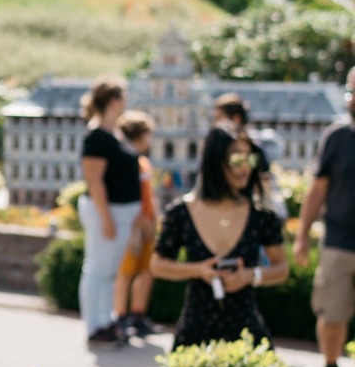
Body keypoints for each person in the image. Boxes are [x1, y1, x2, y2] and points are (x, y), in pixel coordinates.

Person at [150, 125, 288, 349]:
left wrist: (250, 276)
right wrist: (198, 270)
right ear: (216, 162)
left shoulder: (262, 214)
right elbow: (157, 265)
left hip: (247, 336)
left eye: (250, 160)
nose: (245, 168)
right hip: (195, 333)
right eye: (236, 160)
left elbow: (281, 269)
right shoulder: (180, 212)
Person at [294, 64, 355, 367]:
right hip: (339, 241)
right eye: (351, 88)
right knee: (331, 316)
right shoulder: (337, 136)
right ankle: (330, 365)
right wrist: (302, 234)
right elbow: (317, 190)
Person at [78, 76, 142, 346]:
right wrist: (106, 218)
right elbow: (95, 181)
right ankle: (95, 325)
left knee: (110, 272)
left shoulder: (114, 133)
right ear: (114, 101)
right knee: (98, 269)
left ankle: (106, 320)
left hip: (121, 212)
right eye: (124, 97)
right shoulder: (96, 137)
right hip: (107, 212)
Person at [112, 111, 159, 338]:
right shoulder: (129, 162)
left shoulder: (143, 162)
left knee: (146, 270)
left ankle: (138, 314)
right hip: (134, 226)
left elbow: (149, 195)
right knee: (126, 272)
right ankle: (120, 315)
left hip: (147, 222)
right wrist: (142, 222)